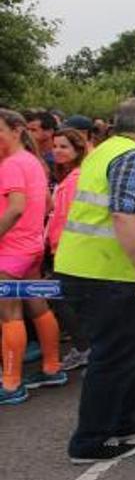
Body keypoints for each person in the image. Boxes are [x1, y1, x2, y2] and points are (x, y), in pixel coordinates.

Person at [55, 97, 135, 461]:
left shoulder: (105, 151)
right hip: (108, 275)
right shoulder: (133, 157)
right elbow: (126, 215)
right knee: (113, 358)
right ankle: (91, 440)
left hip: (104, 272)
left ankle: (130, 420)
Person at [0, 109, 67, 405]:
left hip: (10, 251)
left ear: (15, 130)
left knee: (9, 314)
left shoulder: (12, 164)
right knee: (38, 306)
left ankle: (12, 384)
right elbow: (47, 204)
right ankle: (52, 368)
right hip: (31, 247)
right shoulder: (33, 161)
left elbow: (15, 207)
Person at [48, 128, 92, 372]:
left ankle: (86, 348)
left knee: (66, 301)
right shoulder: (67, 176)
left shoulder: (76, 178)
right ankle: (84, 347)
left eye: (64, 146)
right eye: (55, 146)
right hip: (62, 248)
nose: (57, 150)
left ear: (77, 150)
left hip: (71, 250)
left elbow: (72, 219)